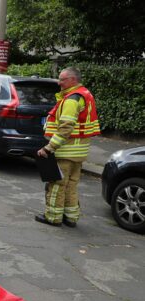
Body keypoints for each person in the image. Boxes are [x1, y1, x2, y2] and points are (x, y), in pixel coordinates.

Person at [35, 67, 100, 227]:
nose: (59, 82)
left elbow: (65, 128)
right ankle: (71, 217)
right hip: (79, 152)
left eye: (62, 79)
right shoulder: (85, 94)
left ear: (73, 80)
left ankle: (53, 217)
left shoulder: (72, 99)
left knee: (57, 185)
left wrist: (48, 148)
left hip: (65, 151)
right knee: (71, 185)